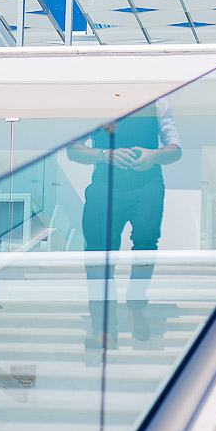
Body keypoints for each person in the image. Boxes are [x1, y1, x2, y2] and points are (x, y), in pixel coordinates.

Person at [68, 98, 181, 349]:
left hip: (148, 185)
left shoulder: (159, 102)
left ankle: (136, 305)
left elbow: (175, 149)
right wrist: (103, 155)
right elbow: (73, 148)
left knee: (146, 245)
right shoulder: (95, 102)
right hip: (104, 185)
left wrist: (154, 156)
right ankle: (103, 328)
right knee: (98, 253)